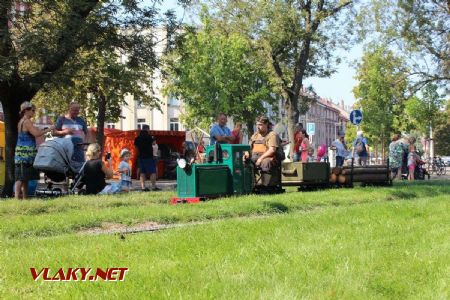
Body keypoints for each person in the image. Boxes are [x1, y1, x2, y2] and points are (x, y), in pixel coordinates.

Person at [14, 102, 54, 199]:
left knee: (25, 177)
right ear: (26, 110)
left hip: (21, 151)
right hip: (26, 153)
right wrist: (49, 129)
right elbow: (36, 133)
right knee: (21, 176)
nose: (34, 112)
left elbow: (33, 132)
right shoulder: (27, 121)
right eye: (32, 110)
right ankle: (16, 198)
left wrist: (43, 130)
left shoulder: (21, 121)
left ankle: (25, 197)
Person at [244, 116, 281, 186]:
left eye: (260, 125)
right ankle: (249, 185)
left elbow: (272, 150)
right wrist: (246, 154)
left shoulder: (272, 135)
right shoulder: (255, 135)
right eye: (257, 124)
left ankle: (265, 186)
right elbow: (249, 147)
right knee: (243, 163)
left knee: (266, 162)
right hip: (254, 157)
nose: (258, 127)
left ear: (266, 124)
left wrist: (261, 159)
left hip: (268, 157)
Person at [53, 101, 88, 171]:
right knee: (66, 171)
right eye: (74, 110)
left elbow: (87, 133)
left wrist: (86, 145)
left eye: (77, 110)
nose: (76, 112)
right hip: (65, 150)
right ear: (69, 109)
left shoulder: (81, 120)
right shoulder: (62, 119)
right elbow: (53, 133)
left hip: (79, 151)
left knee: (79, 171)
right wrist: (65, 132)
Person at [134, 125, 160, 191]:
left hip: (141, 157)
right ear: (147, 129)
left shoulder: (137, 138)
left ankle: (143, 187)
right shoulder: (149, 137)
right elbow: (154, 143)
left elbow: (136, 147)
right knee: (153, 172)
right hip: (149, 157)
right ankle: (153, 187)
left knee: (142, 172)